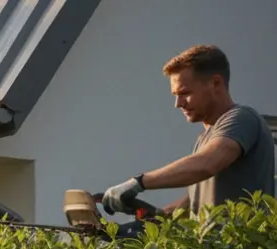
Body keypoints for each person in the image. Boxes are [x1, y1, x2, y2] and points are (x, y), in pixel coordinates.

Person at [102, 45, 275, 219]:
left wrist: (137, 183)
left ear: (216, 83)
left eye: (185, 93)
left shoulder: (242, 118)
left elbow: (206, 164)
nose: (178, 103)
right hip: (211, 246)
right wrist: (151, 216)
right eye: (175, 95)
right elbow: (193, 204)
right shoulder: (206, 138)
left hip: (241, 245)